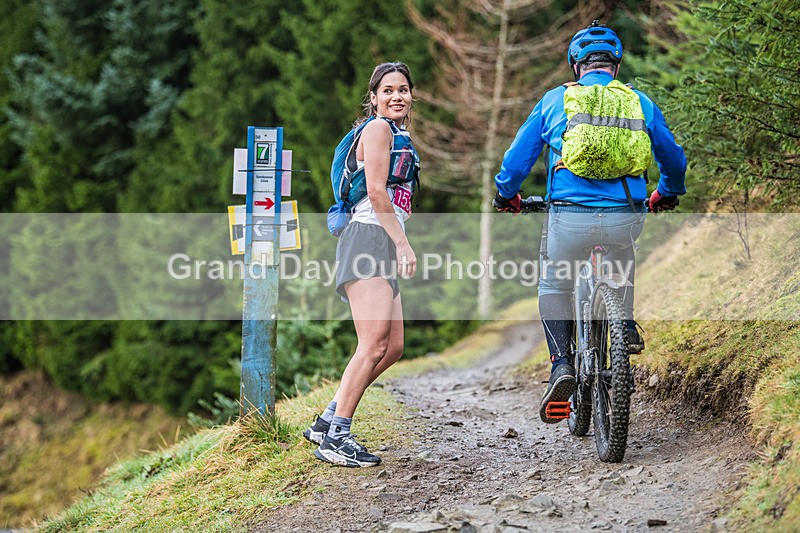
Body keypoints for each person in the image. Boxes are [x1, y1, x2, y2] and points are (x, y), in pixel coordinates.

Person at [493, 21, 686, 423]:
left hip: (568, 218)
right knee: (622, 253)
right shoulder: (639, 102)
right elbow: (673, 159)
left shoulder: (554, 101)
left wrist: (506, 193)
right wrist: (667, 192)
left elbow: (516, 160)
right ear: (615, 64)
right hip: (624, 216)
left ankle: (561, 363)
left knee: (553, 281)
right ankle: (624, 326)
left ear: (575, 64)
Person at [303, 62, 419, 467]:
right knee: (372, 345)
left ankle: (326, 421)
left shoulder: (398, 133)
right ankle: (336, 437)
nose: (396, 96)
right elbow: (373, 190)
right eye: (387, 90)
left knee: (393, 346)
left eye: (403, 89)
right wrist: (403, 244)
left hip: (380, 239)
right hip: (369, 238)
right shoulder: (378, 129)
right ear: (373, 98)